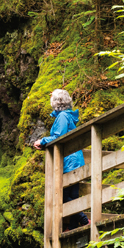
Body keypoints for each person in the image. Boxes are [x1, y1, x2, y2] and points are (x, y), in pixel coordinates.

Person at [33, 89, 88, 230]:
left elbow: (59, 135)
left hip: (70, 161)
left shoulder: (63, 116)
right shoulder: (67, 115)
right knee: (73, 195)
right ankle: (74, 225)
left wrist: (43, 141)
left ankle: (84, 220)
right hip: (75, 159)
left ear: (56, 103)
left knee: (62, 195)